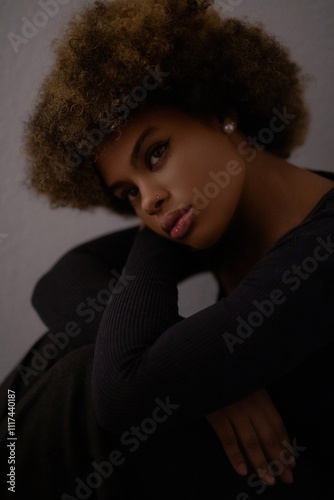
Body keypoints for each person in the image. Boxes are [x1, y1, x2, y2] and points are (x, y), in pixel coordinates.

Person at [1, 0, 334, 498]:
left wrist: (175, 374)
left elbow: (123, 391)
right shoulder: (220, 221)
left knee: (82, 381)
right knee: (75, 347)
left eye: (155, 154)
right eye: (129, 193)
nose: (149, 200)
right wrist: (196, 380)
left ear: (223, 111)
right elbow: (63, 278)